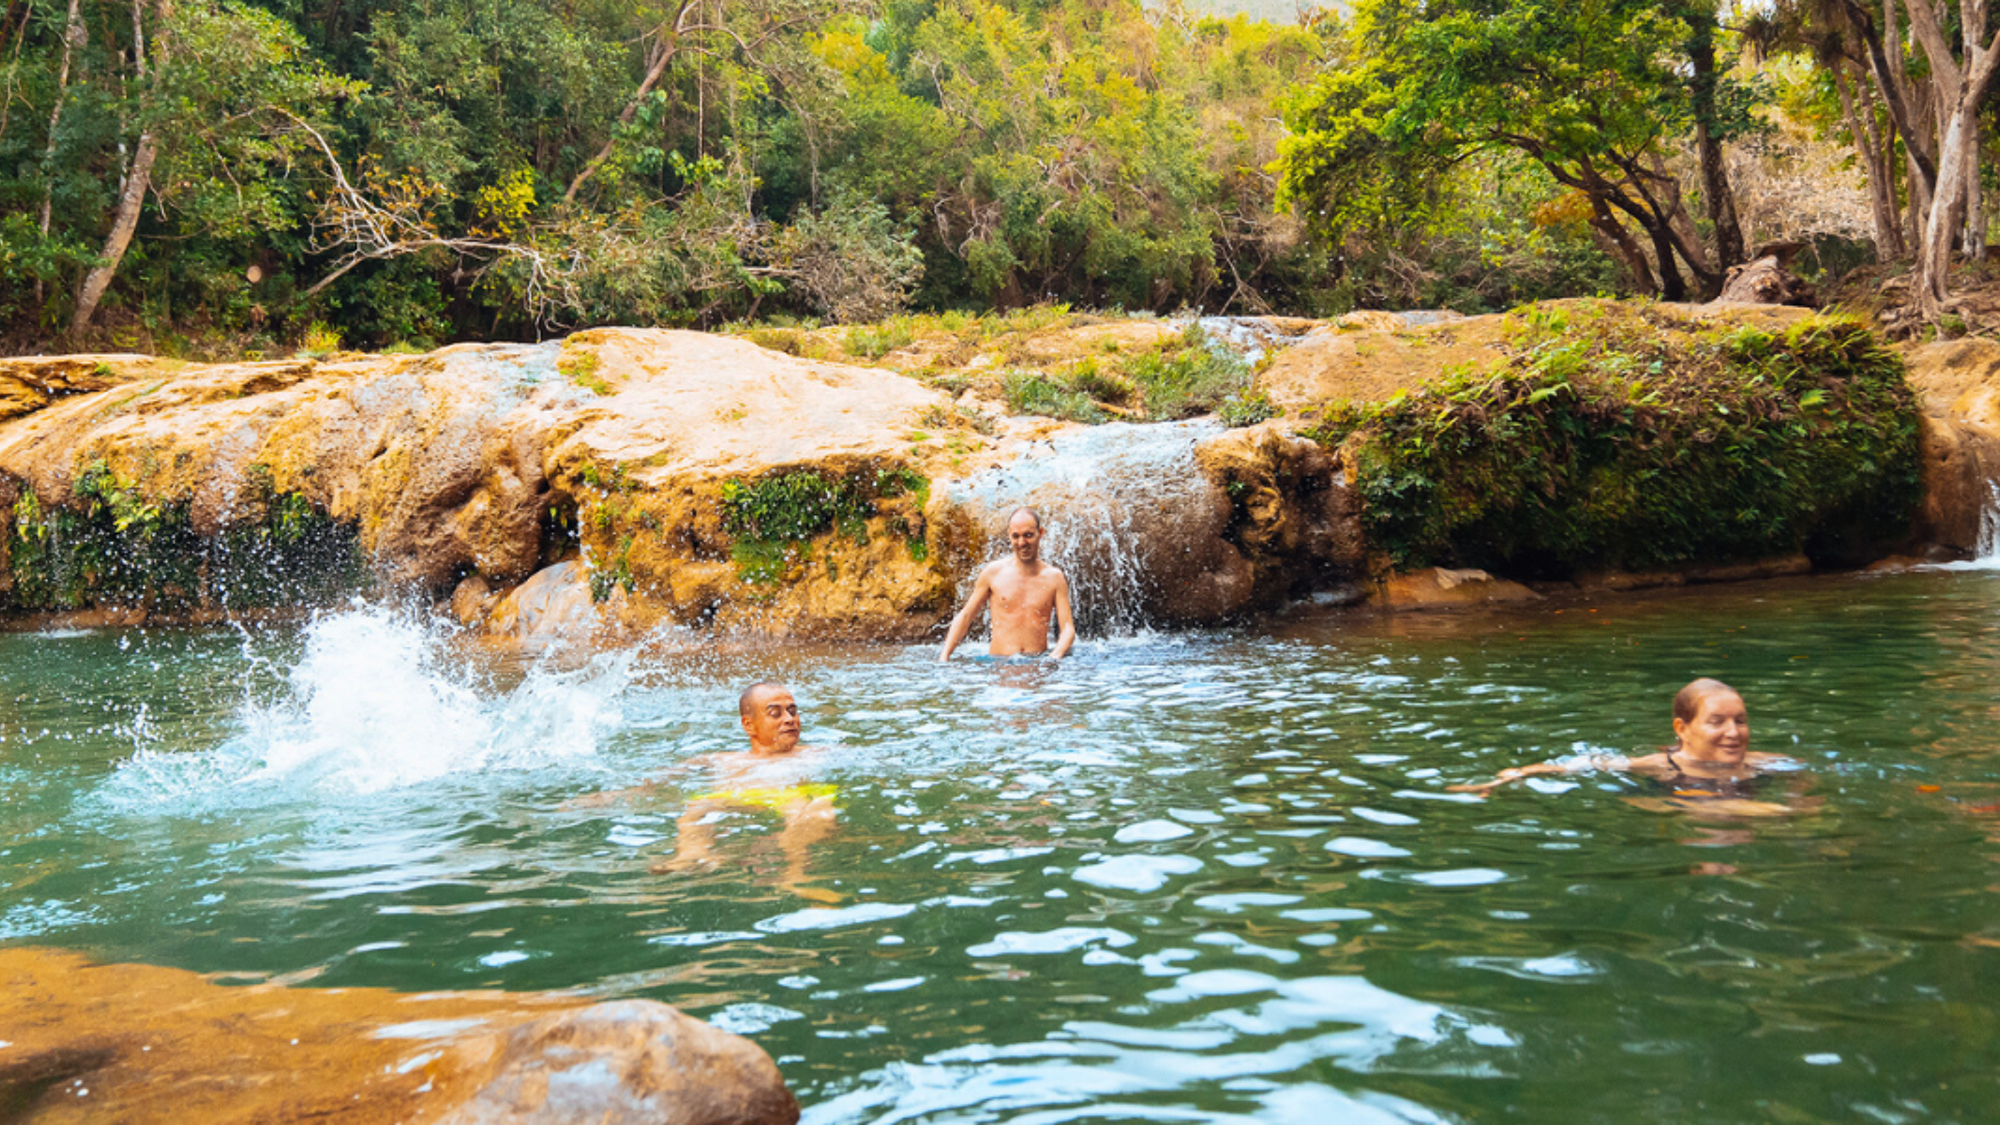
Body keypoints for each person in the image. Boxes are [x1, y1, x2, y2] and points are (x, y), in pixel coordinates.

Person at [1447, 678, 1805, 815]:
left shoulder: (1765, 763)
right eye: (1717, 722)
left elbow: (1802, 773)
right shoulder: (1659, 766)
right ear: (1683, 728)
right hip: (1680, 809)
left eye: (1740, 720)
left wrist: (1805, 801)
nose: (1733, 732)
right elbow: (1573, 767)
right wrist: (1503, 779)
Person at [938, 507, 1077, 661]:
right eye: (1015, 536)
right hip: (998, 665)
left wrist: (1054, 657)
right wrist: (944, 657)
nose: (1022, 542)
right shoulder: (993, 573)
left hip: (1037, 665)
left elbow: (1068, 628)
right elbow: (966, 616)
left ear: (1041, 533)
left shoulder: (1054, 577)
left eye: (1028, 535)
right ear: (1009, 536)